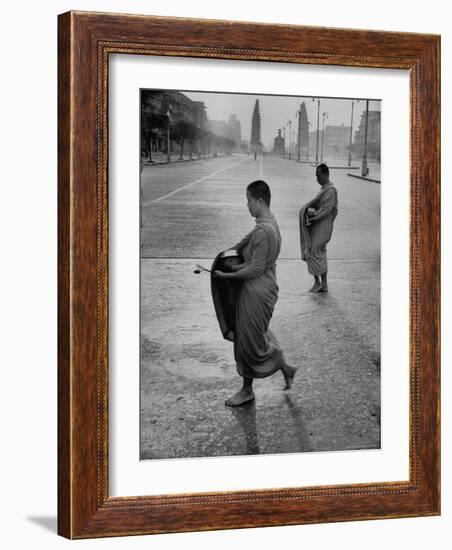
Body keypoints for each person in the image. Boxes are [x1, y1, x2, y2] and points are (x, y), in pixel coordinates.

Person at [214, 180, 297, 407]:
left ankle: (248, 389)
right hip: (263, 288)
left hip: (256, 292)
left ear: (259, 201)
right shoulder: (270, 224)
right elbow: (252, 256)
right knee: (249, 337)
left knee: (249, 344)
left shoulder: (263, 231)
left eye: (249, 200)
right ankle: (285, 369)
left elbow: (255, 269)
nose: (247, 205)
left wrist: (227, 276)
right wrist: (228, 263)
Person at [299, 163, 338, 293]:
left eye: (319, 176)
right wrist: (310, 213)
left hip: (324, 226)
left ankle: (319, 283)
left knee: (315, 250)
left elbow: (327, 210)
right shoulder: (323, 189)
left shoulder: (331, 190)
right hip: (318, 224)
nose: (317, 178)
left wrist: (314, 217)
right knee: (315, 251)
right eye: (316, 176)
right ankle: (322, 284)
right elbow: (320, 208)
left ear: (326, 174)